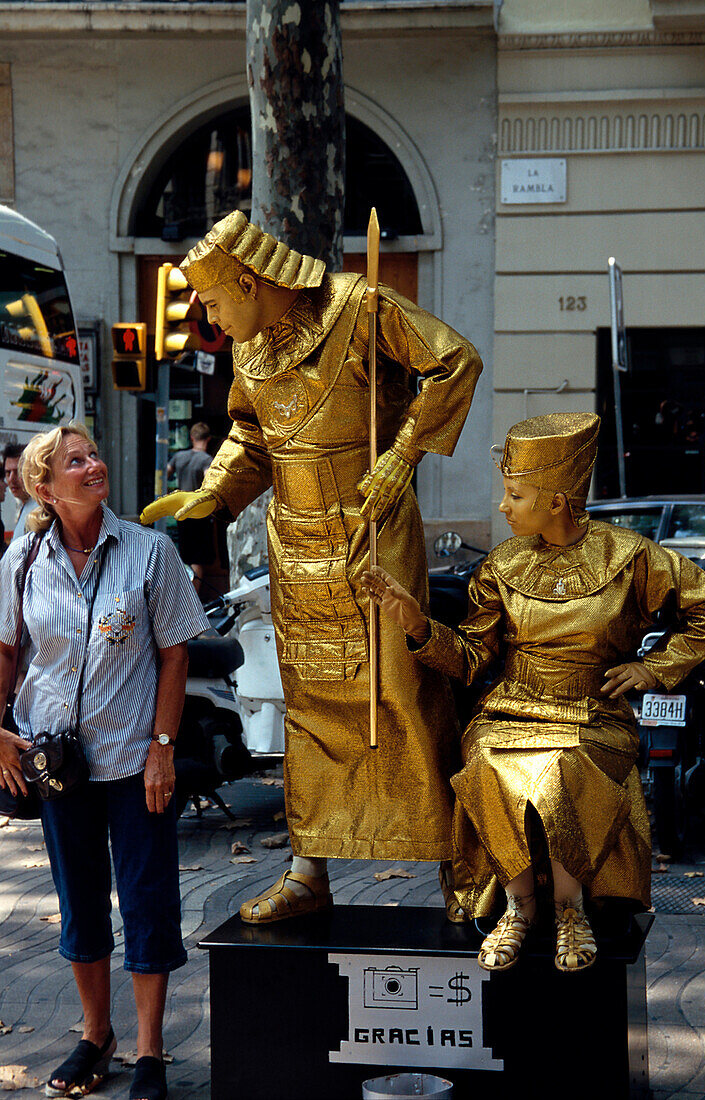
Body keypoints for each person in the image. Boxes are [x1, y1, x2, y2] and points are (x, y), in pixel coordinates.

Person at [141, 210, 483, 924]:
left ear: (247, 279)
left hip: (369, 529)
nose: (208, 315)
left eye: (212, 300)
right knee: (310, 706)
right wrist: (215, 492)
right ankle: (308, 869)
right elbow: (251, 433)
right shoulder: (248, 350)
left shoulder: (359, 307)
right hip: (293, 545)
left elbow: (454, 361)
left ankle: (461, 863)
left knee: (401, 691)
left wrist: (400, 457)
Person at [363, 412, 705, 973]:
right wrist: (417, 626)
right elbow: (470, 659)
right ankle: (519, 906)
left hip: (594, 714)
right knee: (485, 759)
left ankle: (570, 909)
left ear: (557, 501)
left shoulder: (632, 557)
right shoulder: (502, 565)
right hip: (512, 707)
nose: (504, 507)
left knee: (563, 767)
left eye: (515, 495)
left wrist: (656, 668)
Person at [0, 423, 208, 1100]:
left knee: (147, 901)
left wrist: (163, 747)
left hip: (134, 759)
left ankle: (150, 1049)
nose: (94, 466)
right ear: (45, 485)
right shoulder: (22, 558)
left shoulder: (150, 552)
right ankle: (96, 1036)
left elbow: (175, 653)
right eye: (75, 461)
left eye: (94, 454)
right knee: (79, 902)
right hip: (55, 762)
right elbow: (6, 651)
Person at [166, 422, 217, 594]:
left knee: (186, 556)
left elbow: (164, 473)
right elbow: (208, 481)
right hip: (199, 513)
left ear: (192, 437)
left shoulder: (179, 457)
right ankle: (193, 597)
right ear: (208, 439)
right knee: (197, 558)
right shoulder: (206, 459)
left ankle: (184, 595)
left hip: (181, 512)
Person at [3, 442, 34, 541]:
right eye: (8, 473)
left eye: (18, 472)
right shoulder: (26, 506)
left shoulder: (40, 511)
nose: (11, 479)